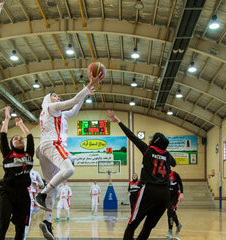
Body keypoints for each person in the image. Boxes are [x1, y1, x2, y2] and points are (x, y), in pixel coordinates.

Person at [35, 71, 104, 240]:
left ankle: (47, 222)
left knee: (55, 188)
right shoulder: (50, 108)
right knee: (69, 169)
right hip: (52, 145)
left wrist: (84, 95)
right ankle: (41, 193)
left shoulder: (57, 114)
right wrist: (88, 87)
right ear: (48, 99)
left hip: (44, 149)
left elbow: (73, 110)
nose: (57, 97)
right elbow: (72, 101)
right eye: (54, 95)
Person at [106, 110, 176, 240]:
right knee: (148, 226)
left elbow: (132, 136)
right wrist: (164, 153)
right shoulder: (167, 154)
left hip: (150, 189)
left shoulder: (148, 150)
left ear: (156, 140)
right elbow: (174, 163)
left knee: (133, 223)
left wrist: (119, 121)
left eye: (152, 137)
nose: (150, 139)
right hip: (165, 193)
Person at [0, 106, 34, 240]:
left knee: (20, 227)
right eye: (15, 139)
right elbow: (2, 136)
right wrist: (7, 119)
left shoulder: (29, 154)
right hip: (7, 191)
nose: (19, 139)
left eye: (20, 138)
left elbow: (30, 137)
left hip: (23, 193)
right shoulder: (8, 153)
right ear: (11, 144)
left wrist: (21, 124)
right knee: (3, 224)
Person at [24, 169, 44, 240]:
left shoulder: (35, 173)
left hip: (31, 195)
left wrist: (37, 183)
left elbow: (42, 185)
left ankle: (24, 237)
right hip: (21, 194)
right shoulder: (21, 171)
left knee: (28, 217)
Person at [166, 170, 184, 238]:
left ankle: (170, 230)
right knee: (172, 211)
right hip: (168, 196)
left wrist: (182, 193)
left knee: (169, 211)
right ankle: (178, 224)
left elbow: (180, 183)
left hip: (175, 196)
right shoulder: (163, 175)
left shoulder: (175, 174)